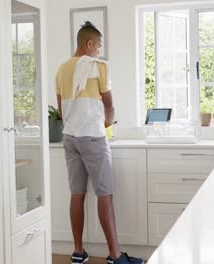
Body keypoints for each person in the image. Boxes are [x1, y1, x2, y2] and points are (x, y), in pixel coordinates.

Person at [55, 21, 144, 264]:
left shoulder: (62, 69)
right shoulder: (98, 67)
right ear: (89, 43)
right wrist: (108, 125)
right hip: (93, 137)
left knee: (77, 193)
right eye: (98, 45)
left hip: (70, 137)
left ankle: (77, 251)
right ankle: (115, 257)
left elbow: (62, 110)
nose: (99, 50)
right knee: (105, 194)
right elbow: (109, 105)